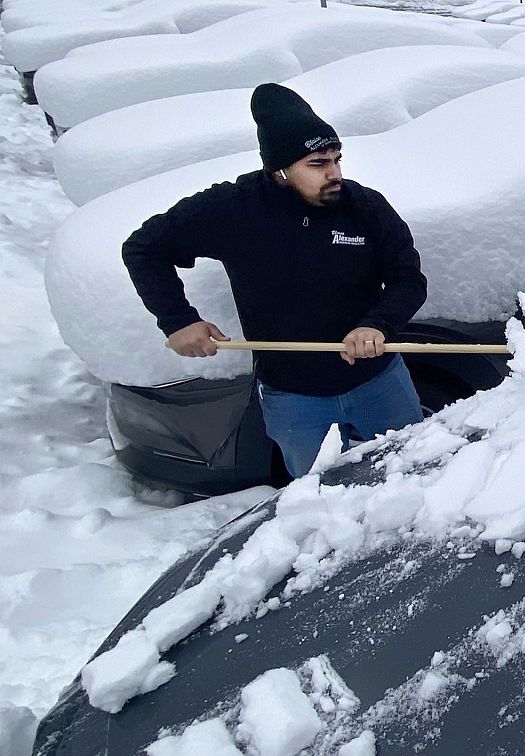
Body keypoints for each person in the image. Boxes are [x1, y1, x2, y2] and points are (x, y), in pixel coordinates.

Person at [123, 83, 427, 478]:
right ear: (281, 170)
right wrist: (178, 320)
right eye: (318, 164)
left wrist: (376, 324)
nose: (334, 173)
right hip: (293, 398)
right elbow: (143, 248)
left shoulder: (364, 207)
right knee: (320, 498)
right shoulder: (235, 209)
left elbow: (408, 279)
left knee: (416, 475)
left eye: (336, 159)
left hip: (379, 385)